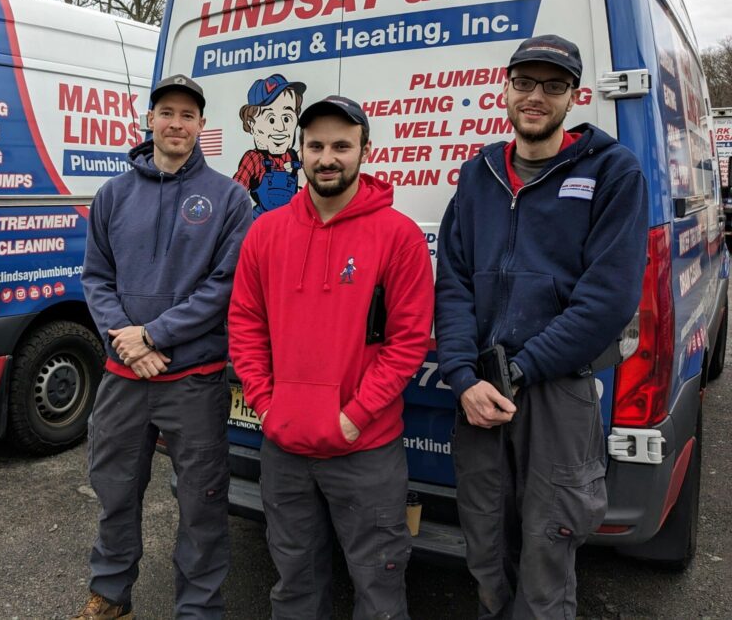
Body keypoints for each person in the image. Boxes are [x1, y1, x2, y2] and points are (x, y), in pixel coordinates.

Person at [435, 34, 648, 619]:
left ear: (574, 96)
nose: (536, 96)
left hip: (554, 390)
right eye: (525, 83)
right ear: (504, 90)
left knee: (547, 552)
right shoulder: (477, 175)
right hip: (479, 393)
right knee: (486, 545)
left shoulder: (613, 172)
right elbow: (452, 284)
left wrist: (522, 369)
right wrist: (462, 376)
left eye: (553, 86)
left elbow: (607, 299)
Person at [228, 96, 434, 619]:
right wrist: (266, 405)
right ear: (300, 151)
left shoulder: (399, 237)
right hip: (284, 448)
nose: (327, 158)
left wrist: (355, 416)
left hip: (364, 449)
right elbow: (246, 325)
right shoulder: (265, 232)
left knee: (379, 587)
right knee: (294, 584)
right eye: (315, 146)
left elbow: (408, 342)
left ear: (366, 150)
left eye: (341, 146)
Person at [74, 73, 252, 620]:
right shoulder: (113, 195)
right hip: (124, 378)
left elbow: (223, 287)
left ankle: (198, 609)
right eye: (167, 113)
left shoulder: (229, 199)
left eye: (188, 115)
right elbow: (96, 278)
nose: (177, 124)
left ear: (202, 125)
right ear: (149, 119)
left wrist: (154, 335)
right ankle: (110, 595)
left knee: (201, 502)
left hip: (193, 380)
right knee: (115, 490)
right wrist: (127, 342)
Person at [232, 73, 307, 217]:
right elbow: (234, 196)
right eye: (271, 119)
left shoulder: (295, 158)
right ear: (251, 124)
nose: (280, 128)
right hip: (259, 224)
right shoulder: (254, 159)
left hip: (290, 224)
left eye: (287, 118)